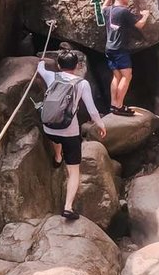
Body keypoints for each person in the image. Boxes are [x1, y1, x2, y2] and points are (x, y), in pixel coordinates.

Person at [37, 46, 107, 221]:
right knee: (74, 171)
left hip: (49, 127)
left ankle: (57, 157)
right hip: (70, 131)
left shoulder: (51, 76)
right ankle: (68, 207)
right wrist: (100, 124)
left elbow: (40, 68)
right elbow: (91, 110)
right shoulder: (81, 83)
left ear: (59, 66)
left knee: (55, 138)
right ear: (76, 66)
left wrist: (41, 61)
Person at [102, 0, 150, 116]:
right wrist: (146, 15)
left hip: (109, 48)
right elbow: (139, 25)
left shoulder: (109, 11)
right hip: (120, 49)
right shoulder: (123, 12)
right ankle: (119, 106)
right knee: (127, 76)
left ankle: (113, 104)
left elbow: (102, 8)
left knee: (116, 76)